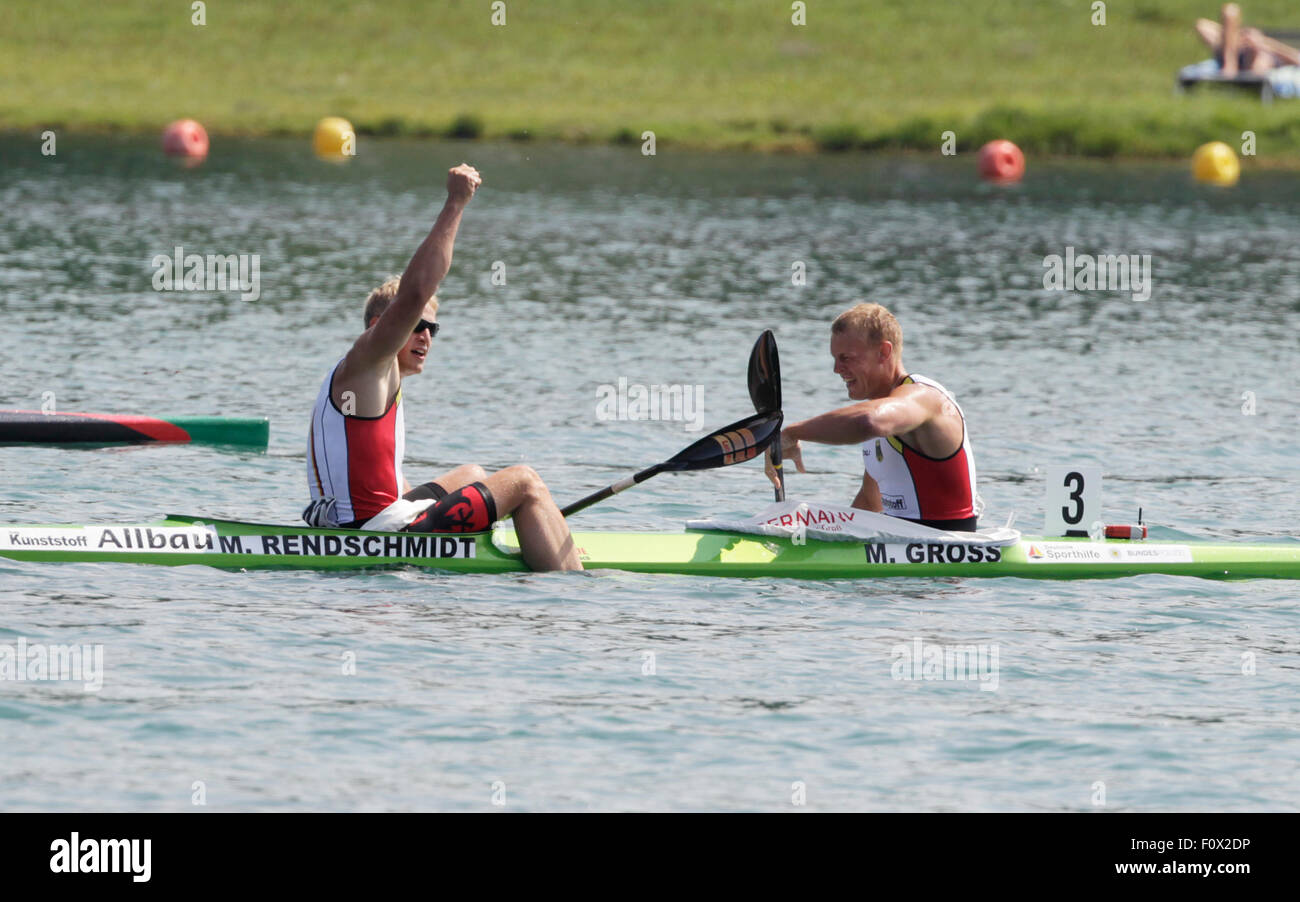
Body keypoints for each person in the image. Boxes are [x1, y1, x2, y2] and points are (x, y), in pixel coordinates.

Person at [305, 164, 581, 571]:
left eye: (433, 328)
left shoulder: (369, 379)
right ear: (382, 327)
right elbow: (418, 289)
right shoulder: (369, 360)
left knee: (473, 473)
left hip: (362, 523)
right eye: (416, 325)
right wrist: (456, 202)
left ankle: (526, 529)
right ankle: (572, 588)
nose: (426, 337)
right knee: (523, 480)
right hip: (378, 539)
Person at [766, 303, 979, 531]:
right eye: (835, 359)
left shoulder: (923, 398)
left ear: (883, 352)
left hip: (947, 549)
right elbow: (870, 502)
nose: (837, 369)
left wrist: (792, 433)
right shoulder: (881, 411)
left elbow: (868, 422)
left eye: (846, 358)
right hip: (899, 543)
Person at [1195, 4, 1300, 77]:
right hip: (1244, 52)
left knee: (1230, 12)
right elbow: (1296, 57)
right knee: (1229, 13)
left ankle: (1230, 61)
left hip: (1240, 58)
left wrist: (1255, 43)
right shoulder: (1273, 55)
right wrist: (1260, 42)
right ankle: (1232, 55)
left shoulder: (1260, 64)